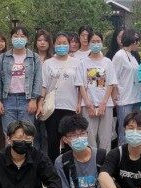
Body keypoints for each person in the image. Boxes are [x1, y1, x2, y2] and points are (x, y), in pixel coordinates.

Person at [39, 33, 81, 162]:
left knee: (70, 139)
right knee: (53, 140)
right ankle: (54, 168)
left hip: (70, 106)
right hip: (52, 107)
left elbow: (80, 86)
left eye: (64, 43)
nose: (61, 46)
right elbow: (44, 85)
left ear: (69, 45)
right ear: (54, 45)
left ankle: (68, 166)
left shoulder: (77, 63)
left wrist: (79, 103)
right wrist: (40, 102)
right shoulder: (48, 63)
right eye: (59, 43)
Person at [0, 25, 43, 131]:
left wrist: (34, 100)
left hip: (27, 100)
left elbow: (38, 80)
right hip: (8, 100)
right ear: (11, 38)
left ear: (27, 39)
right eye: (16, 36)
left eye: (22, 36)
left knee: (27, 133)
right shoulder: (3, 57)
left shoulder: (34, 57)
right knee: (9, 133)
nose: (19, 39)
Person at [76, 31, 118, 151]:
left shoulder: (108, 62)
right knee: (89, 138)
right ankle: (92, 161)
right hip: (88, 105)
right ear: (88, 43)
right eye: (93, 41)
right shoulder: (82, 63)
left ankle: (105, 162)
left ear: (102, 43)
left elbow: (111, 83)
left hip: (106, 105)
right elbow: (81, 85)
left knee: (105, 138)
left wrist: (103, 103)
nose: (95, 44)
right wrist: (88, 104)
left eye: (98, 41)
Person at [111, 29, 141, 145]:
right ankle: (122, 154)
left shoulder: (132, 56)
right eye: (138, 40)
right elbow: (112, 77)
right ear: (133, 41)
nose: (139, 43)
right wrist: (114, 95)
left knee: (136, 131)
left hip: (136, 98)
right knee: (125, 132)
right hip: (125, 99)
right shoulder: (119, 55)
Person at [32, 29, 54, 152]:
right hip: (32, 99)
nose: (42, 43)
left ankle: (45, 159)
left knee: (46, 133)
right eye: (39, 40)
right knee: (34, 132)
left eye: (45, 40)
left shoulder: (53, 59)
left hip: (48, 100)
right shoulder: (30, 59)